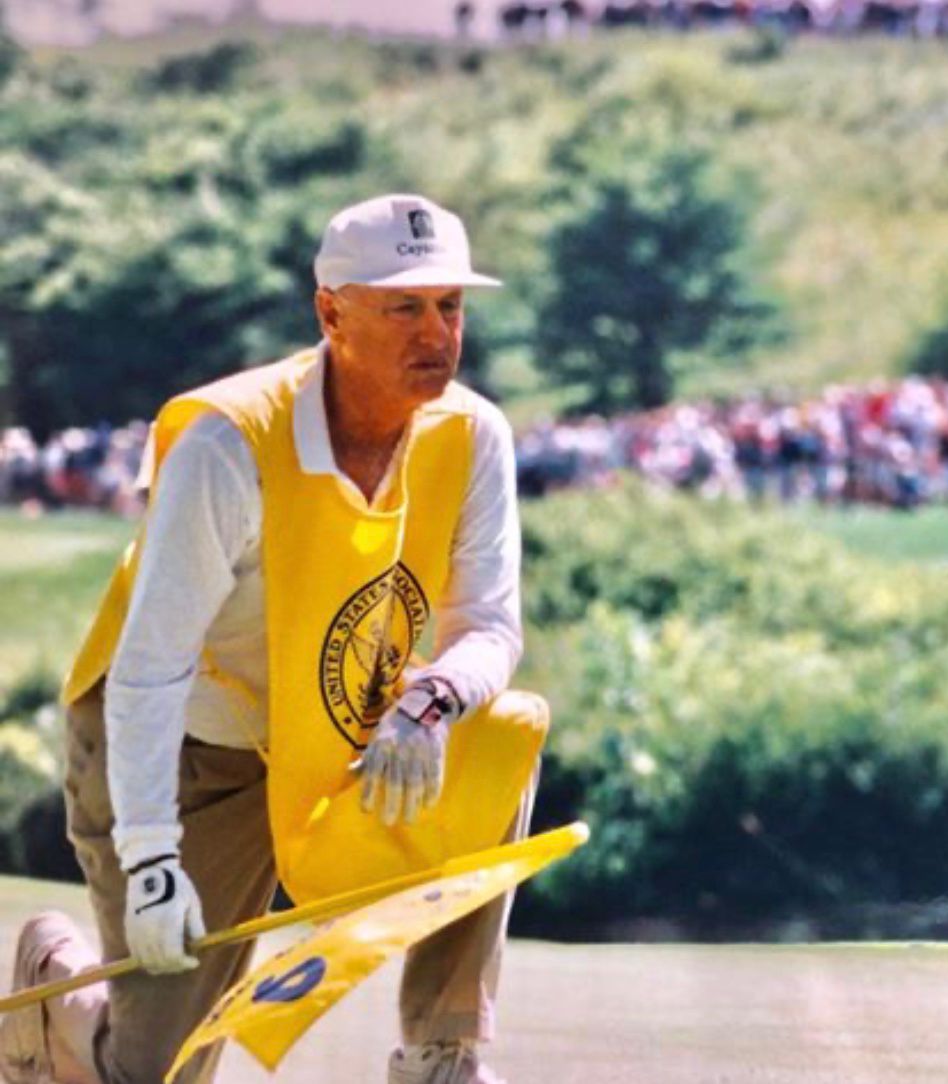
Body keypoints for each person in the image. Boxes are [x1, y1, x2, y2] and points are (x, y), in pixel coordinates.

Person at [0, 194, 547, 1084]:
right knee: (153, 1072)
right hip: (189, 753)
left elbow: (487, 624)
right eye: (404, 308)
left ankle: (439, 1053)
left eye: (450, 306)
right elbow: (150, 668)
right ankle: (55, 994)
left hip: (342, 738)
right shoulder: (230, 445)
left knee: (498, 733)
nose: (437, 333)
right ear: (331, 313)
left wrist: (430, 701)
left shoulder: (474, 432)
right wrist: (150, 857)